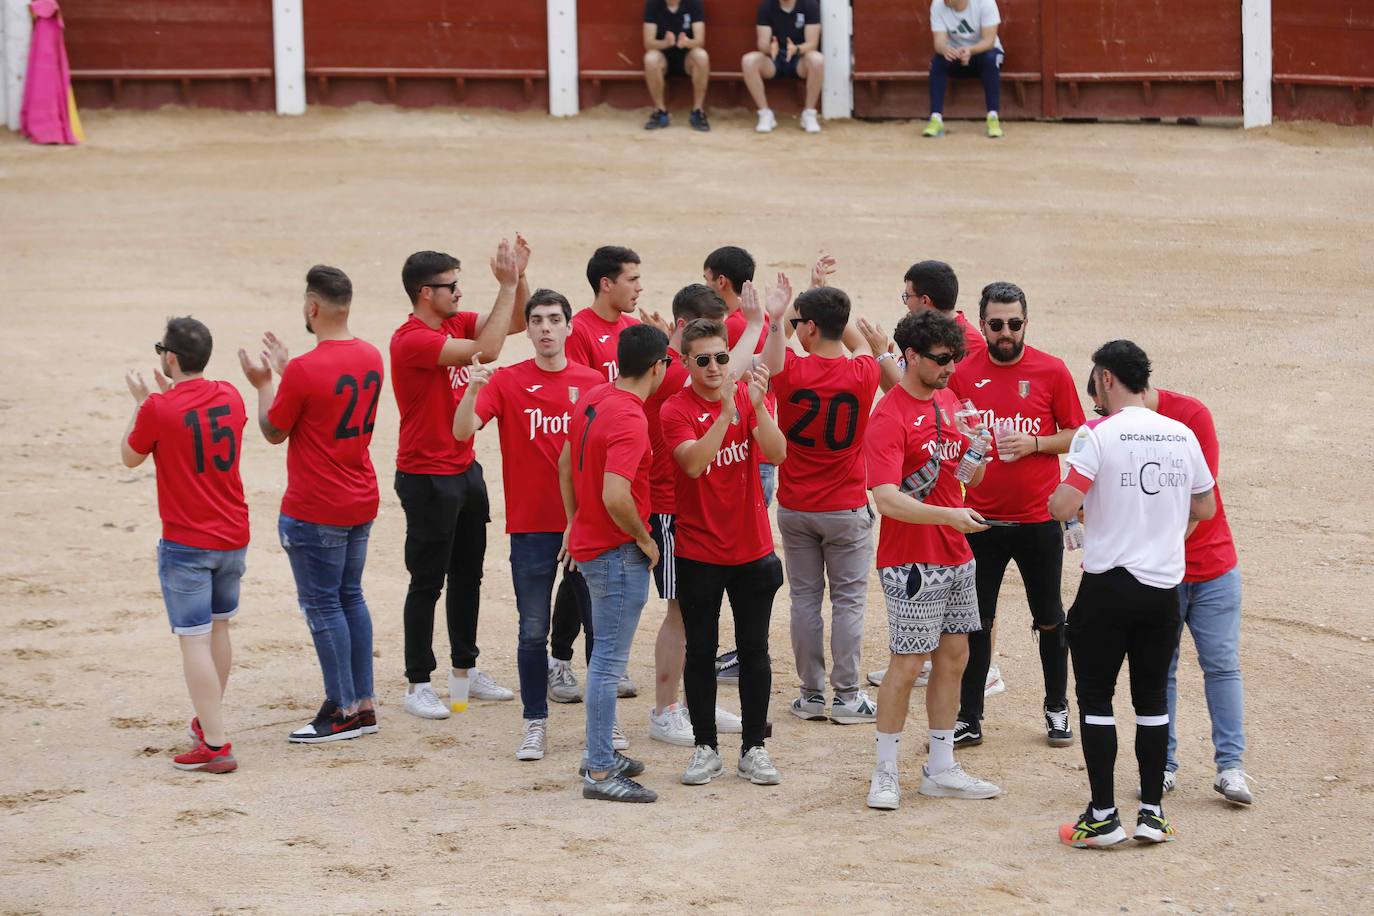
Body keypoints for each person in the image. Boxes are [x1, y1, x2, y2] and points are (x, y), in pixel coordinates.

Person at [1050, 340, 1216, 848]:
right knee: (1151, 700)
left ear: (1104, 378)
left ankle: (1103, 816)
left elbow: (1064, 505)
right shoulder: (1181, 434)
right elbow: (1205, 507)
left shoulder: (1097, 433)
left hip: (1109, 586)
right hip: (1164, 587)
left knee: (1096, 697)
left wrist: (1078, 507)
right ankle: (1151, 813)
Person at [452, 289, 605, 761]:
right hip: (532, 527)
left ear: (568, 327)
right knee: (532, 632)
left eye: (553, 319)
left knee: (600, 632)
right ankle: (534, 723)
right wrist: (474, 389)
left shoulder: (594, 382)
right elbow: (461, 432)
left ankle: (604, 726)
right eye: (536, 319)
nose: (543, 328)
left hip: (586, 527)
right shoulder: (508, 381)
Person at [1086, 375, 1252, 805]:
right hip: (1164, 571)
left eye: (1101, 407)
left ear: (1112, 386)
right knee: (1161, 671)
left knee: (1220, 665)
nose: (1104, 417)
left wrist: (1152, 548)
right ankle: (1165, 768)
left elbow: (1198, 501)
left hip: (1200, 566)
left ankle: (1230, 767)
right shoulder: (1139, 426)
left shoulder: (1190, 416)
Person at [238, 266, 384, 744]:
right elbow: (323, 399)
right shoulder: (370, 356)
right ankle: (362, 704)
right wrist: (287, 373)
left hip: (317, 504)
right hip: (359, 497)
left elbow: (274, 430)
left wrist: (265, 383)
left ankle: (341, 710)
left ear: (312, 307)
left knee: (323, 606)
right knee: (350, 598)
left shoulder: (302, 370)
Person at [863, 310, 1000, 811]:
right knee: (906, 662)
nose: (949, 369)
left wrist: (979, 453)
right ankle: (885, 772)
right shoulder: (888, 416)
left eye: (955, 360)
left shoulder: (948, 400)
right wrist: (950, 514)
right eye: (942, 361)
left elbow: (970, 478)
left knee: (955, 657)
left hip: (954, 551)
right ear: (911, 357)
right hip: (911, 560)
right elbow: (886, 498)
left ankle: (940, 767)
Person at [390, 240, 526, 720]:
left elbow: (513, 323)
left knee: (469, 575)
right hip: (425, 475)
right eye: (451, 286)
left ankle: (464, 673)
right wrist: (506, 285)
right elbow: (488, 349)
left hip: (463, 468)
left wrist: (519, 278)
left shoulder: (451, 320)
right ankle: (417, 682)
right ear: (427, 293)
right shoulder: (411, 339)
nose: (459, 293)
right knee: (426, 581)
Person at [946, 282, 1084, 749]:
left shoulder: (1051, 370)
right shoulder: (962, 374)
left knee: (1050, 617)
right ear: (981, 324)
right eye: (997, 324)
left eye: (1015, 323)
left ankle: (1057, 708)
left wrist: (1036, 444)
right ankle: (970, 716)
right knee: (976, 620)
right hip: (980, 520)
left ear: (1026, 322)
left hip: (1039, 520)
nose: (1006, 333)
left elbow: (1078, 436)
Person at [663, 319, 787, 787]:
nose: (715, 367)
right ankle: (705, 748)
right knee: (701, 652)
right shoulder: (675, 410)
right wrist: (724, 416)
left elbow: (778, 455)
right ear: (686, 362)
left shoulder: (750, 398)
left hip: (752, 549)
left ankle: (754, 748)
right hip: (699, 552)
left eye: (721, 357)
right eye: (704, 360)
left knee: (755, 651)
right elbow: (693, 464)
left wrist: (759, 410)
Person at [121, 317, 247, 774]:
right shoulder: (231, 395)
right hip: (233, 534)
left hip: (187, 541)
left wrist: (143, 403)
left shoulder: (158, 407)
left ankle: (214, 742)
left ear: (169, 358)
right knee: (219, 630)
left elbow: (130, 456)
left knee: (192, 638)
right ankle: (207, 723)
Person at [638, 283, 762, 746]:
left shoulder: (670, 366)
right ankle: (667, 708)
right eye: (707, 356)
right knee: (681, 614)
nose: (717, 365)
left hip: (683, 508)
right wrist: (752, 324)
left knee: (694, 617)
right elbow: (737, 369)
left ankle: (693, 704)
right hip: (671, 510)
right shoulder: (673, 378)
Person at [559, 324, 671, 803]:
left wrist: (574, 519)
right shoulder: (630, 417)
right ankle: (601, 771)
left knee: (604, 660)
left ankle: (599, 752)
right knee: (607, 664)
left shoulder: (595, 396)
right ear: (656, 367)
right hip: (614, 551)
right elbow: (616, 494)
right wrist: (645, 540)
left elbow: (565, 461)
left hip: (592, 542)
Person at [762, 284, 882, 725]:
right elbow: (859, 343)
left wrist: (783, 318)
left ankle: (811, 695)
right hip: (846, 505)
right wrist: (827, 307)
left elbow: (778, 353)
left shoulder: (790, 369)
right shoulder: (864, 372)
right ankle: (847, 697)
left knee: (805, 601)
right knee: (848, 602)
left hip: (796, 505)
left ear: (808, 327)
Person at [553, 245, 646, 703]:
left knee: (594, 568)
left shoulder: (631, 329)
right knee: (577, 568)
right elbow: (582, 400)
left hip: (618, 459)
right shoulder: (581, 332)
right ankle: (561, 659)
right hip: (587, 462)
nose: (638, 287)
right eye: (631, 279)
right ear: (606, 283)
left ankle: (601, 661)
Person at [924, 0, 1005, 139]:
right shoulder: (938, 4)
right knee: (937, 62)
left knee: (991, 60)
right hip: (956, 54)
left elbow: (989, 41)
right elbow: (939, 41)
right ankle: (935, 118)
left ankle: (993, 117)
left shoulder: (985, 3)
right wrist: (945, 49)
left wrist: (970, 50)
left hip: (983, 53)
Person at [743, 0, 823, 133]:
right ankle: (765, 113)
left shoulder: (809, 5)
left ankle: (809, 113)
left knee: (817, 60)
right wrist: (770, 48)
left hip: (799, 58)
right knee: (749, 61)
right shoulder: (766, 6)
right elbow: (762, 43)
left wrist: (796, 49)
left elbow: (812, 44)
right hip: (775, 59)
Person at [643, 0, 711, 131]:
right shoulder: (653, 4)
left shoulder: (694, 3)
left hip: (687, 57)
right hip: (663, 57)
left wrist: (686, 43)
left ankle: (698, 110)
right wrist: (665, 43)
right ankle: (660, 111)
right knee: (650, 59)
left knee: (701, 56)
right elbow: (648, 43)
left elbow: (700, 41)